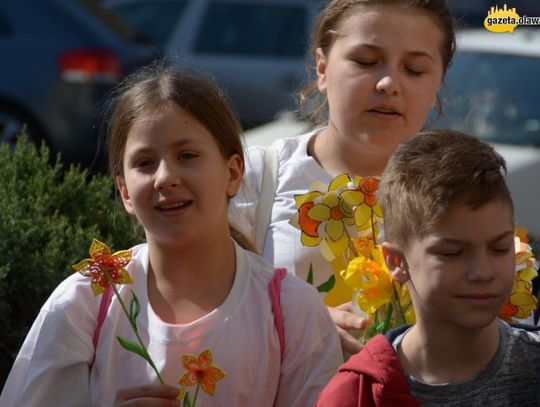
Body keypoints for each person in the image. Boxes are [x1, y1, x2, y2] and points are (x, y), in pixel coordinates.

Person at [0, 67, 343, 407]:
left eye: (187, 156)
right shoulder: (85, 302)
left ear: (234, 172)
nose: (165, 177)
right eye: (145, 163)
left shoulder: (290, 310)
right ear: (125, 192)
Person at [230, 0, 457, 354]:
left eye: (414, 69)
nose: (388, 83)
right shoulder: (252, 179)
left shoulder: (459, 196)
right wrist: (298, 325)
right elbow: (195, 311)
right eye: (366, 61)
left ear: (438, 83)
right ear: (322, 68)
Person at [315, 129, 540, 406]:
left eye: (500, 248)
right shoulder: (358, 394)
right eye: (452, 253)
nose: (483, 272)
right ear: (396, 262)